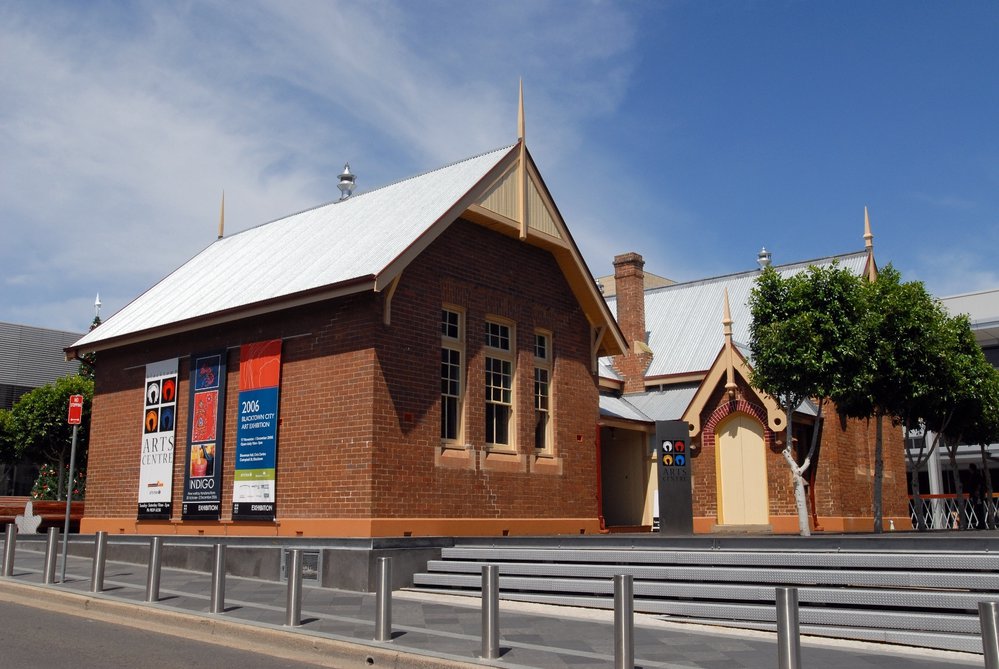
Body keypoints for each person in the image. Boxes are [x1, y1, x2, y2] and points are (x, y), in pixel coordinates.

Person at [968, 463, 986, 530]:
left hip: (978, 496)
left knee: (979, 510)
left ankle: (982, 524)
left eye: (969, 468)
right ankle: (981, 524)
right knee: (978, 510)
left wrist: (977, 491)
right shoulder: (974, 475)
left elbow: (979, 484)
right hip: (976, 495)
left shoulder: (976, 475)